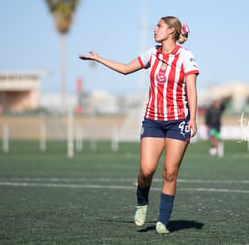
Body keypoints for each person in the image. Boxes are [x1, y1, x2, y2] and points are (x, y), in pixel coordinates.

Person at [79, 16, 199, 234]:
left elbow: (191, 88)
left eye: (159, 26)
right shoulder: (151, 53)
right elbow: (126, 69)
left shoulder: (186, 56)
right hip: (153, 120)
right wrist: (99, 59)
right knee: (146, 170)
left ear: (172, 31)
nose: (155, 30)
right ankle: (142, 203)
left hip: (178, 121)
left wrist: (193, 118)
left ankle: (163, 221)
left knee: (170, 172)